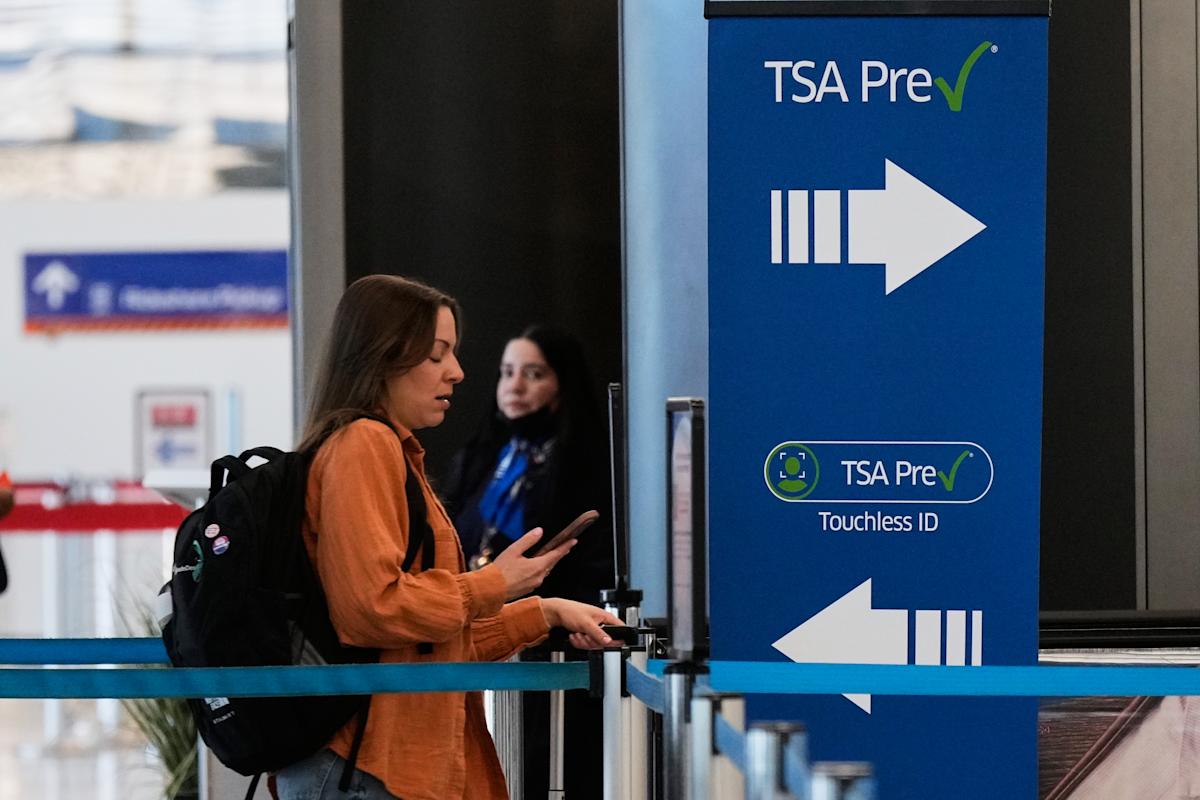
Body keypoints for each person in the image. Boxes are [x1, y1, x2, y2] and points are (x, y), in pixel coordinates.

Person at [276, 275, 622, 800]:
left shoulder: (390, 451)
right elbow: (371, 608)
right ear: (384, 357)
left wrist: (546, 611)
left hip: (388, 765)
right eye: (437, 355)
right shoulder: (364, 444)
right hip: (367, 767)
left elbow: (430, 639)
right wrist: (494, 584)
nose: (457, 372)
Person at [443, 325, 615, 799]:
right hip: (474, 645)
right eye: (507, 372)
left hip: (549, 653)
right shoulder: (480, 457)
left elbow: (594, 562)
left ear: (562, 384)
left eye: (533, 374)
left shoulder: (587, 465)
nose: (514, 386)